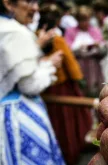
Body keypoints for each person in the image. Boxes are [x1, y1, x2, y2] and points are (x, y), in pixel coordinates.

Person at [0, 0, 65, 164]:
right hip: (17, 118)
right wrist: (50, 65)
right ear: (8, 3)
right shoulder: (15, 31)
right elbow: (29, 85)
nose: (36, 7)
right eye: (29, 1)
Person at [38, 4, 93, 165]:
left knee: (54, 121)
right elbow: (70, 62)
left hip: (46, 86)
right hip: (63, 86)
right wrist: (79, 79)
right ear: (57, 21)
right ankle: (70, 153)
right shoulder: (57, 38)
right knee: (67, 123)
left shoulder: (37, 36)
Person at [65, 5, 104, 97]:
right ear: (78, 20)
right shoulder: (70, 31)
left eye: (87, 20)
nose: (85, 23)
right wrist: (79, 49)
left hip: (93, 69)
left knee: (93, 93)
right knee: (79, 92)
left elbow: (103, 50)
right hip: (78, 66)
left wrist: (98, 47)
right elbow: (67, 50)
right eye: (82, 20)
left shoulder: (95, 31)